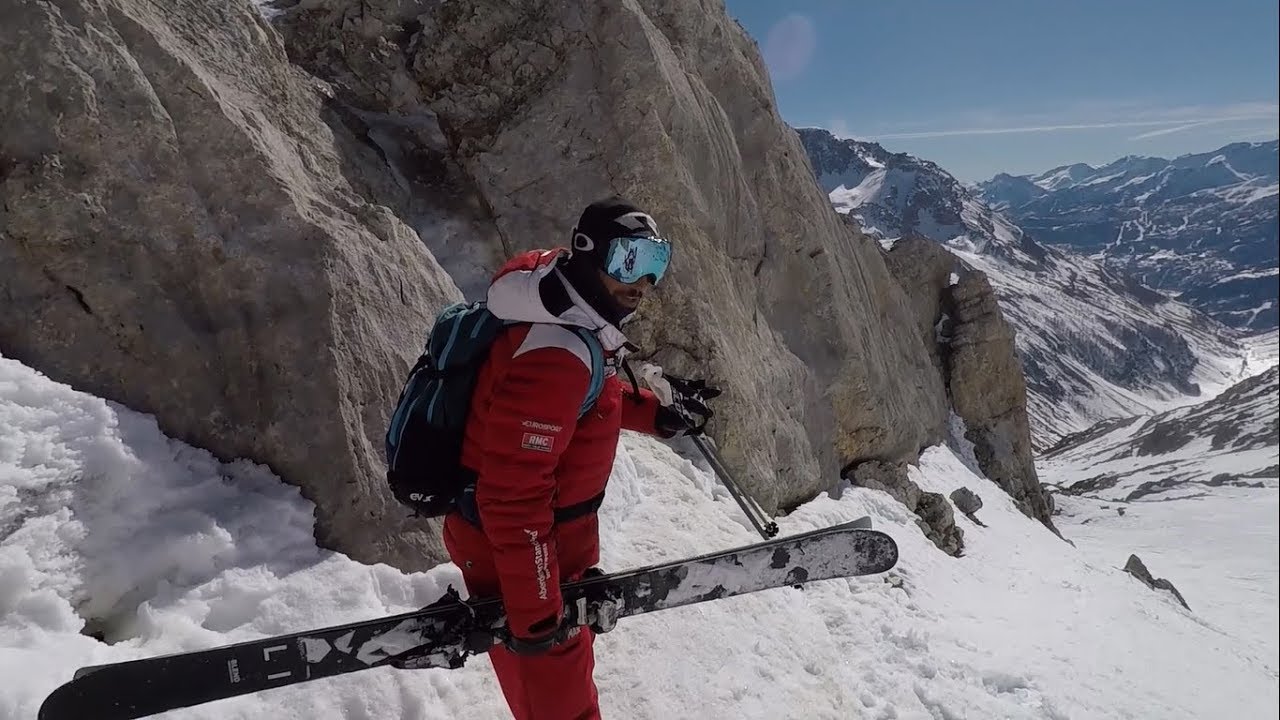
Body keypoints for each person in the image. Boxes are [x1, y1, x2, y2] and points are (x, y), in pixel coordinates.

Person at [442, 197, 721, 720]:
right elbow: (511, 495)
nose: (642, 283)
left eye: (655, 263)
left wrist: (654, 415)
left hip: (534, 550)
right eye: (629, 261)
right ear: (589, 254)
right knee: (560, 706)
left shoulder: (565, 305)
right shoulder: (559, 351)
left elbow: (584, 402)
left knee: (555, 693)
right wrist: (538, 611)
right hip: (522, 556)